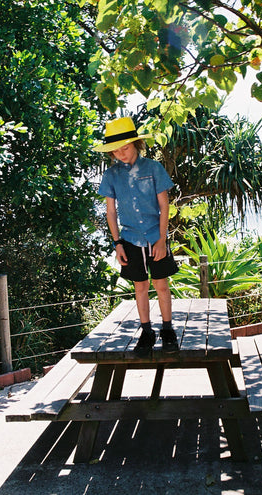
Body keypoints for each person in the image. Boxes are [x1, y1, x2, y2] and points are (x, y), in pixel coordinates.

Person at [94, 116, 179, 353]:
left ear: (137, 145)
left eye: (126, 147)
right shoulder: (111, 176)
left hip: (155, 237)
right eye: (116, 150)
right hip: (129, 239)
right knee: (139, 287)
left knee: (161, 285)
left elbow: (165, 206)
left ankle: (168, 330)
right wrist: (117, 243)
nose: (122, 154)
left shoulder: (154, 168)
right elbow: (111, 213)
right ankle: (147, 331)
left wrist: (162, 240)